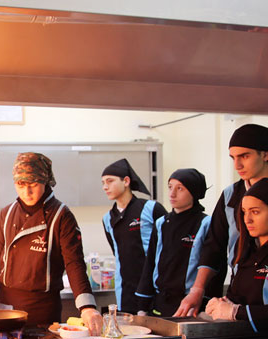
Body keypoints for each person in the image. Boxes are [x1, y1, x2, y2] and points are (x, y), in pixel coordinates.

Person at [0, 152, 102, 335]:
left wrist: (87, 307)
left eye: (33, 185)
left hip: (41, 312)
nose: (26, 192)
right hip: (2, 307)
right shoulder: (6, 213)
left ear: (45, 181)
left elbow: (74, 263)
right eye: (20, 185)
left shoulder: (61, 216)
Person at [176, 123, 268, 316]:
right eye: (233, 158)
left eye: (245, 156)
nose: (237, 166)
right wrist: (198, 289)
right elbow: (214, 246)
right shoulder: (231, 195)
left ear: (265, 154)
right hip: (241, 287)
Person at [135, 169, 223, 316]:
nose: (172, 193)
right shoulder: (161, 223)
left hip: (191, 304)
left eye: (180, 188)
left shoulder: (206, 223)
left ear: (194, 192)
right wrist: (143, 305)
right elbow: (150, 263)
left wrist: (205, 301)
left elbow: (214, 264)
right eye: (170, 187)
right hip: (161, 303)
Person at [101, 158, 167, 314]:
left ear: (126, 181)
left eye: (110, 181)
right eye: (103, 182)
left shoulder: (151, 209)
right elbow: (117, 253)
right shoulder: (107, 219)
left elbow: (168, 247)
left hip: (154, 291)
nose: (105, 187)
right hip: (125, 293)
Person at [205, 178, 268, 332]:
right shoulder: (246, 253)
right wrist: (225, 303)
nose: (248, 219)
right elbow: (240, 296)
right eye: (244, 212)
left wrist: (236, 312)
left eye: (255, 212)